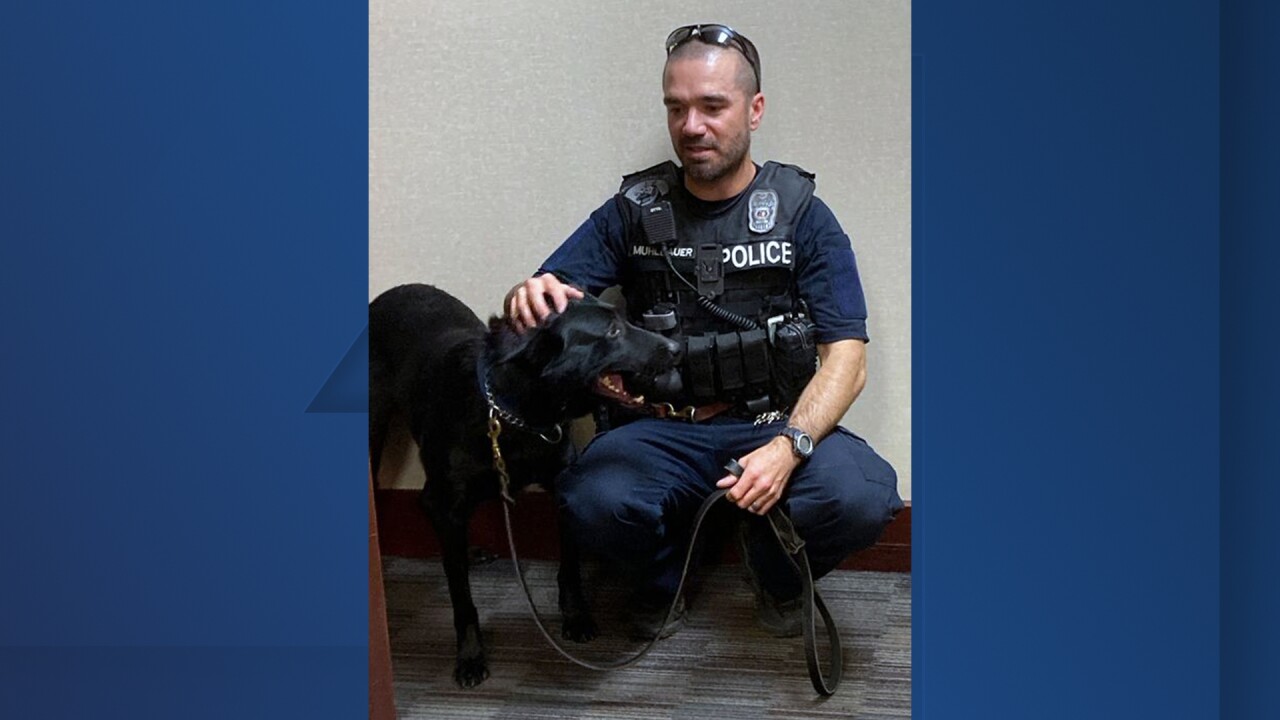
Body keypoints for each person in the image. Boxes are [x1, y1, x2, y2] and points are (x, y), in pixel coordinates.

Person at [505, 23, 903, 640]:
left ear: (755, 109)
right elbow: (551, 289)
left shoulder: (802, 214)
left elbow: (846, 357)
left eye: (713, 106)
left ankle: (774, 573)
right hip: (660, 427)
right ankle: (664, 582)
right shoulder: (632, 210)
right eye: (677, 107)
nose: (692, 125)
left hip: (771, 420)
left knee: (863, 494)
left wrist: (790, 445)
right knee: (591, 497)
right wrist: (527, 292)